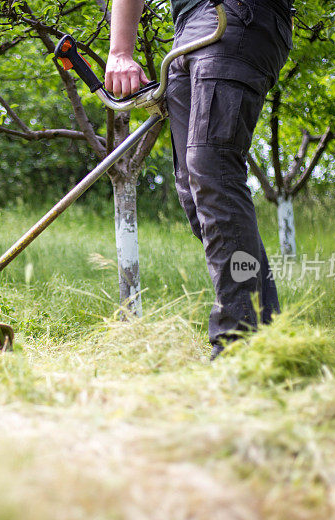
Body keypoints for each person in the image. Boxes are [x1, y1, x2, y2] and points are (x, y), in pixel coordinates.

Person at [105, 0, 293, 359]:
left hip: (238, 14)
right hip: (188, 26)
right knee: (196, 189)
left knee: (213, 170)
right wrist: (119, 51)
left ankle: (238, 346)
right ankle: (269, 334)